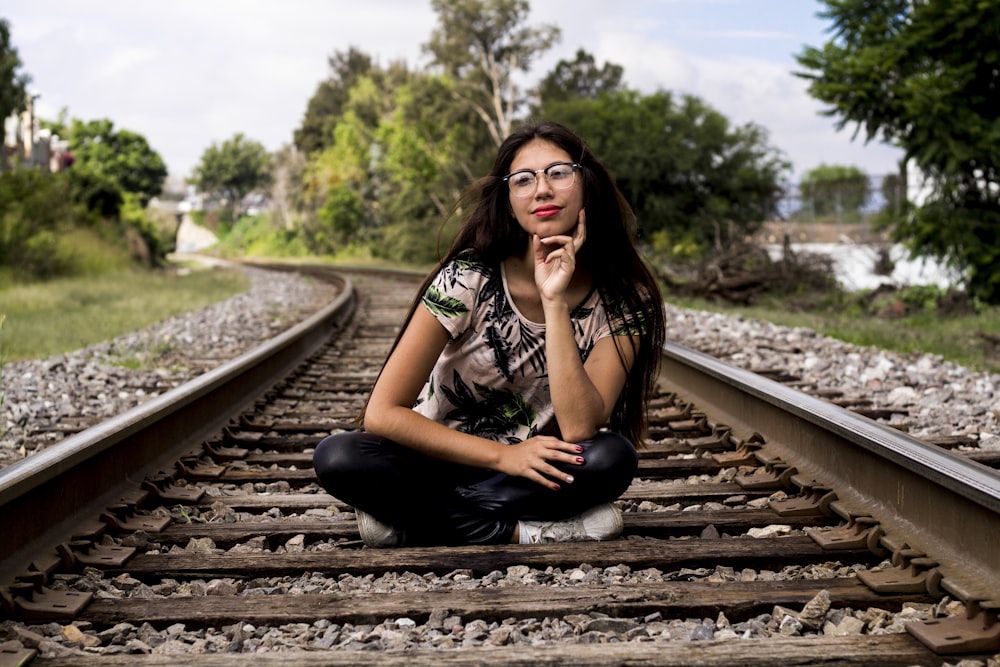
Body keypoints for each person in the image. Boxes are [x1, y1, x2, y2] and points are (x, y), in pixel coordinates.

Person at [313, 121, 665, 547]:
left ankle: (417, 520)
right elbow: (383, 413)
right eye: (523, 180)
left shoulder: (627, 300)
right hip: (438, 456)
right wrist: (504, 455)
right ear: (509, 199)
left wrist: (553, 301)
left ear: (586, 183)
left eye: (559, 172)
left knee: (612, 458)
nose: (542, 190)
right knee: (338, 456)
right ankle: (518, 531)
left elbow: (577, 428)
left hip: (532, 470)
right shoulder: (468, 276)